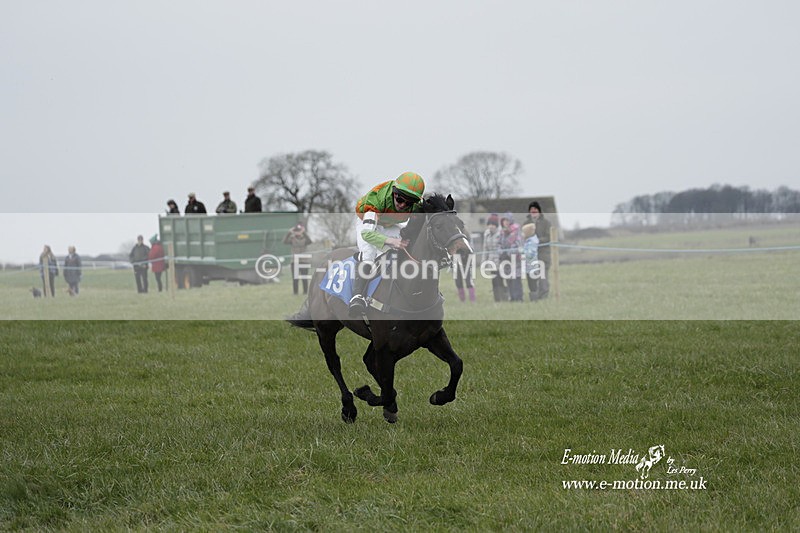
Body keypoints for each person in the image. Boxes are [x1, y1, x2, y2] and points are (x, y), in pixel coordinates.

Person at [349, 171, 426, 315]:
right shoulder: (376, 200)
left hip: (389, 224)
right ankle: (357, 297)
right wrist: (391, 241)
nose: (403, 205)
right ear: (394, 193)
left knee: (403, 248)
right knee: (369, 254)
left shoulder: (416, 205)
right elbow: (367, 234)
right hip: (368, 221)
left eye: (409, 203)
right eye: (400, 200)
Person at [525, 201, 552, 299]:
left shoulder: (546, 223)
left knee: (543, 279)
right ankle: (534, 298)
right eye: (532, 210)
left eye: (536, 210)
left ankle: (543, 298)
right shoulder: (526, 223)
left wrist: (536, 241)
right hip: (531, 256)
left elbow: (549, 237)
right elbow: (523, 237)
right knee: (532, 279)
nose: (534, 212)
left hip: (543, 256)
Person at [283, 222, 313, 295]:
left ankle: (305, 292)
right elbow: (284, 241)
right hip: (295, 261)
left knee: (304, 278)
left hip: (304, 261)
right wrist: (289, 232)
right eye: (296, 231)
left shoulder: (305, 239)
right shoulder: (292, 239)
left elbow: (310, 241)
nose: (298, 232)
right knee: (295, 278)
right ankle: (295, 292)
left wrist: (304, 232)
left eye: (299, 231)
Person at [499, 212, 523, 302]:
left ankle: (519, 298)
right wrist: (500, 252)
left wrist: (508, 252)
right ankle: (512, 298)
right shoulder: (502, 232)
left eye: (507, 220)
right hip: (505, 260)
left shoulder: (516, 231)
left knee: (516, 279)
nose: (505, 222)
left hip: (515, 260)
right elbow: (500, 244)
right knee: (508, 279)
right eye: (504, 220)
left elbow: (518, 244)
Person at [482, 213, 506, 302]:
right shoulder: (486, 234)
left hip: (501, 261)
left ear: (497, 225)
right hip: (492, 262)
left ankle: (504, 297)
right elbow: (485, 249)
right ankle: (497, 299)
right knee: (494, 281)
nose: (491, 227)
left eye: (493, 225)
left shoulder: (501, 233)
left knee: (500, 280)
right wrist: (484, 262)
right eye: (489, 224)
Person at [521, 223, 540, 301]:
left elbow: (529, 254)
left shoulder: (532, 242)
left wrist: (521, 251)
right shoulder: (529, 241)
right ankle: (533, 298)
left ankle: (534, 299)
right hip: (528, 267)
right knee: (530, 284)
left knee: (533, 285)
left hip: (532, 267)